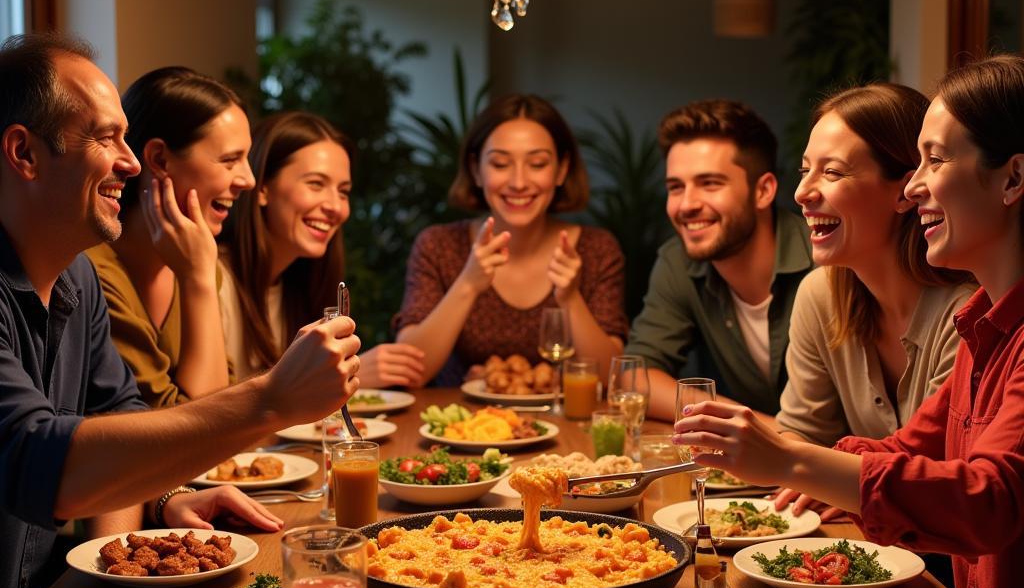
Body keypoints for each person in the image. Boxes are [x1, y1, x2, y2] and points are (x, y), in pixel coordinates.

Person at [0, 32, 360, 588]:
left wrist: (125, 559)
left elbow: (117, 414)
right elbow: (36, 459)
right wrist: (270, 400)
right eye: (105, 138)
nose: (132, 161)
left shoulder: (78, 280)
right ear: (24, 154)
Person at [674, 55, 1024, 588]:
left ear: (1012, 178)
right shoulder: (984, 326)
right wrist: (794, 458)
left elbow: (989, 499)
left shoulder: (979, 320)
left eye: (933, 160)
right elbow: (909, 449)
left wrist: (789, 458)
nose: (915, 187)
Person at [777, 84, 974, 455]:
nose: (802, 192)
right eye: (805, 171)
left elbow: (937, 470)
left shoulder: (967, 313)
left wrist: (824, 473)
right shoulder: (820, 295)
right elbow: (801, 434)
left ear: (906, 192)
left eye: (832, 173)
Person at [394, 94, 628, 384]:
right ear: (476, 170)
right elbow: (408, 372)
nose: (518, 182)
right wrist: (467, 284)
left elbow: (612, 378)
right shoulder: (439, 245)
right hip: (459, 425)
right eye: (501, 164)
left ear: (562, 170)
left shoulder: (596, 250)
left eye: (538, 164)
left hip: (568, 427)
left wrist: (570, 298)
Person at [626, 99, 813, 420]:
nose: (686, 205)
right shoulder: (678, 262)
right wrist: (755, 426)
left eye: (709, 183)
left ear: (763, 191)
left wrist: (773, 441)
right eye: (675, 187)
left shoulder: (825, 259)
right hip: (745, 464)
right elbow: (635, 378)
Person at [218, 111, 425, 385]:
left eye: (343, 191)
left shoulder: (299, 285)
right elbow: (208, 413)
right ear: (263, 187)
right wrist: (340, 376)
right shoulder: (214, 279)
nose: (335, 207)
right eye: (316, 184)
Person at [87, 66, 253, 407]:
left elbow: (226, 406)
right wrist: (198, 281)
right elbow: (200, 426)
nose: (248, 180)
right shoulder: (92, 276)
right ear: (159, 159)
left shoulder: (199, 261)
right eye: (230, 160)